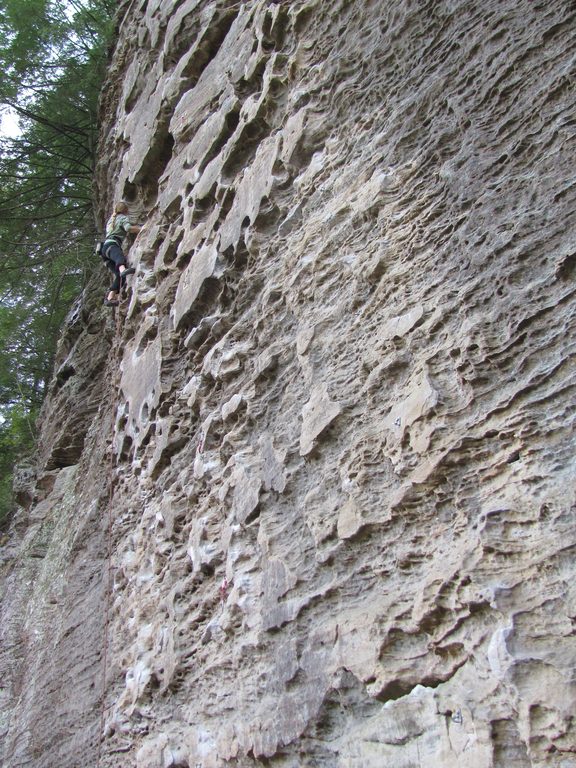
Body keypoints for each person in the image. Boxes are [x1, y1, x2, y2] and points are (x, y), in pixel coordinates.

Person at [102, 201, 141, 306]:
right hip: (112, 245)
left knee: (120, 277)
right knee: (120, 257)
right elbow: (128, 228)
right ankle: (123, 269)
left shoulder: (111, 220)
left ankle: (110, 297)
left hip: (105, 250)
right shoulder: (122, 218)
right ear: (126, 210)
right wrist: (141, 229)